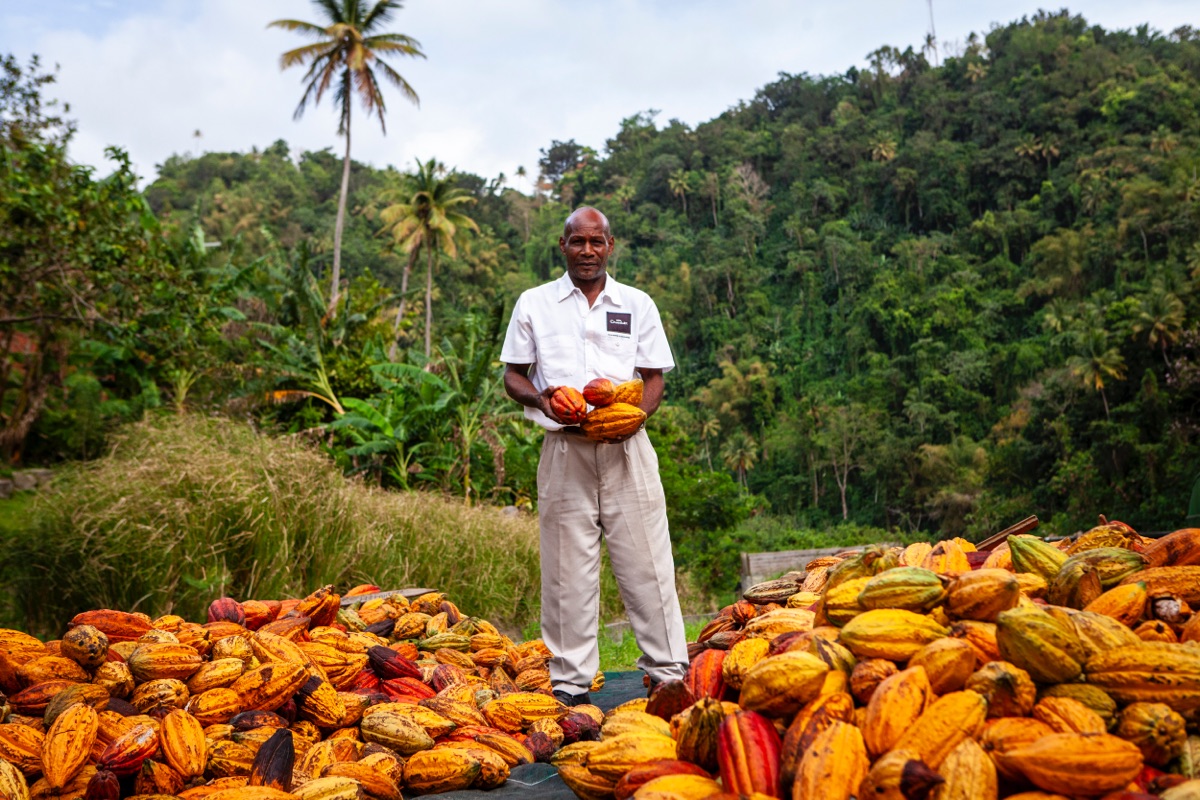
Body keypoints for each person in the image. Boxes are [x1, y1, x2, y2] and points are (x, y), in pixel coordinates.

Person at [500, 206, 689, 706]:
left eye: (596, 242)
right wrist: (542, 399)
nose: (587, 251)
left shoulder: (637, 303)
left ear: (611, 246)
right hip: (565, 448)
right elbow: (513, 374)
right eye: (577, 242)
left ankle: (668, 675)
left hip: (628, 449)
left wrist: (634, 420)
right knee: (566, 569)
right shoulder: (535, 303)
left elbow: (654, 379)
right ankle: (569, 683)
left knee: (647, 561)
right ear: (562, 246)